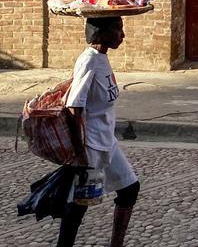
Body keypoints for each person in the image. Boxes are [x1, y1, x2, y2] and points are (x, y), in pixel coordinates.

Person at [57, 16, 140, 247]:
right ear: (101, 32)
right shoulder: (88, 61)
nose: (122, 36)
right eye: (117, 30)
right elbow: (73, 106)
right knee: (78, 205)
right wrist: (79, 152)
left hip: (107, 141)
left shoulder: (102, 59)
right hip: (90, 146)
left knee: (130, 189)